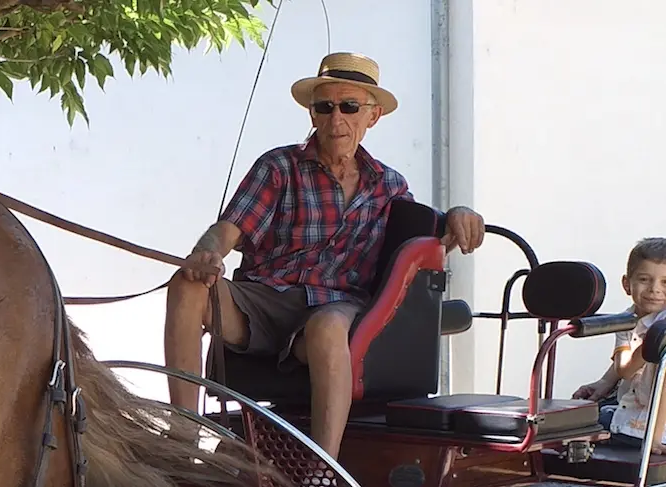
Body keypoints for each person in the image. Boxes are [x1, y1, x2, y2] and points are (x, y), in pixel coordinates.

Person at [163, 52, 486, 458]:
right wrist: (206, 254)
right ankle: (182, 440)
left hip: (338, 304)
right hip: (264, 301)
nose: (337, 119)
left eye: (350, 106)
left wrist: (458, 214)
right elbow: (228, 229)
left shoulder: (388, 185)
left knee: (329, 326)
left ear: (373, 116)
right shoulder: (279, 166)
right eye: (325, 106)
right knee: (186, 286)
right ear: (313, 115)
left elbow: (431, 226)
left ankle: (324, 467)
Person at [577, 238, 666, 455]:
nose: (654, 289)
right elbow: (622, 365)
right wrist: (604, 383)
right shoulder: (626, 319)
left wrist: (655, 439)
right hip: (629, 410)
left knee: (578, 427)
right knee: (574, 415)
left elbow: (661, 385)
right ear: (627, 284)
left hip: (651, 425)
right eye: (644, 279)